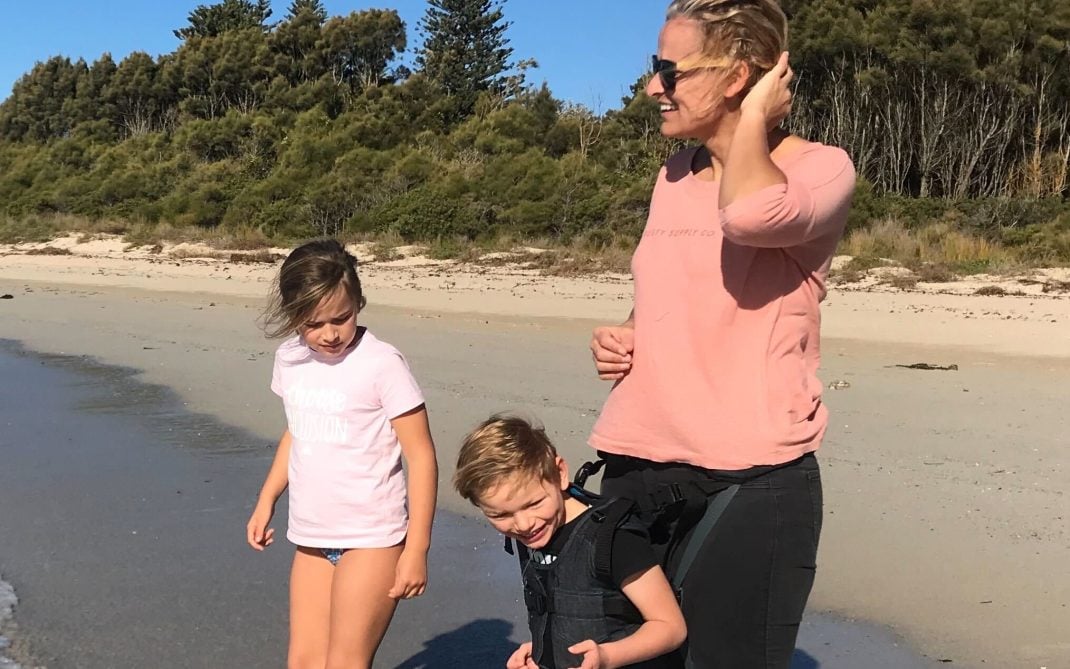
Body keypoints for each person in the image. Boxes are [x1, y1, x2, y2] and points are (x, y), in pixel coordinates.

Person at [587, 1, 856, 667]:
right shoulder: (672, 174)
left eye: (669, 70)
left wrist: (754, 119)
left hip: (752, 480)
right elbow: (674, 289)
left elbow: (749, 217)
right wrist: (627, 332)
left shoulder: (821, 168)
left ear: (737, 76)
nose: (652, 87)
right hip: (637, 461)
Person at [245, 239, 438, 669]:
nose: (330, 334)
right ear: (293, 314)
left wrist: (417, 549)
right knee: (304, 662)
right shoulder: (290, 359)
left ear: (358, 304)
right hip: (313, 535)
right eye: (313, 323)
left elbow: (422, 456)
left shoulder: (382, 364)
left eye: (341, 318)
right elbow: (299, 432)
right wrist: (267, 499)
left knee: (346, 662)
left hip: (373, 537)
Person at [454, 415, 686, 669]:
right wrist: (543, 651)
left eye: (533, 504)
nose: (523, 524)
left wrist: (606, 657)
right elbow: (567, 612)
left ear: (560, 473)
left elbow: (670, 627)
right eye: (500, 515)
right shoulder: (534, 533)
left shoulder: (613, 538)